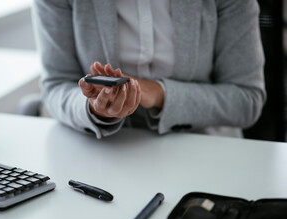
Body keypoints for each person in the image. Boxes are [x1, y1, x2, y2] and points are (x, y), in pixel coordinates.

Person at [32, 0, 265, 139]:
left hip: (203, 146)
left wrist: (157, 93)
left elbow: (247, 99)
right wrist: (94, 109)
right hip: (100, 150)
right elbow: (56, 84)